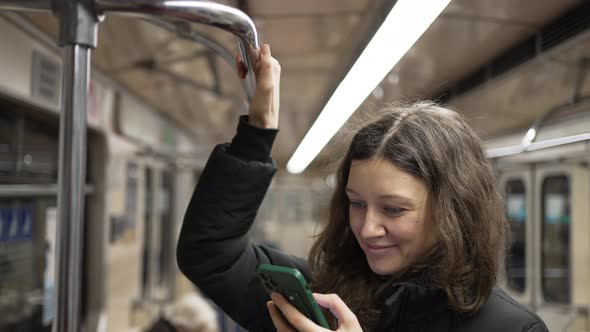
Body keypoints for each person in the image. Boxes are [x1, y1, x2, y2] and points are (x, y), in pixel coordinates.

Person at [177, 44, 548, 331]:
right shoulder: (323, 298)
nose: (367, 228)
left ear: (454, 209)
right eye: (356, 203)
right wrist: (257, 130)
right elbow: (211, 252)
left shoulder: (512, 327)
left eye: (394, 209)